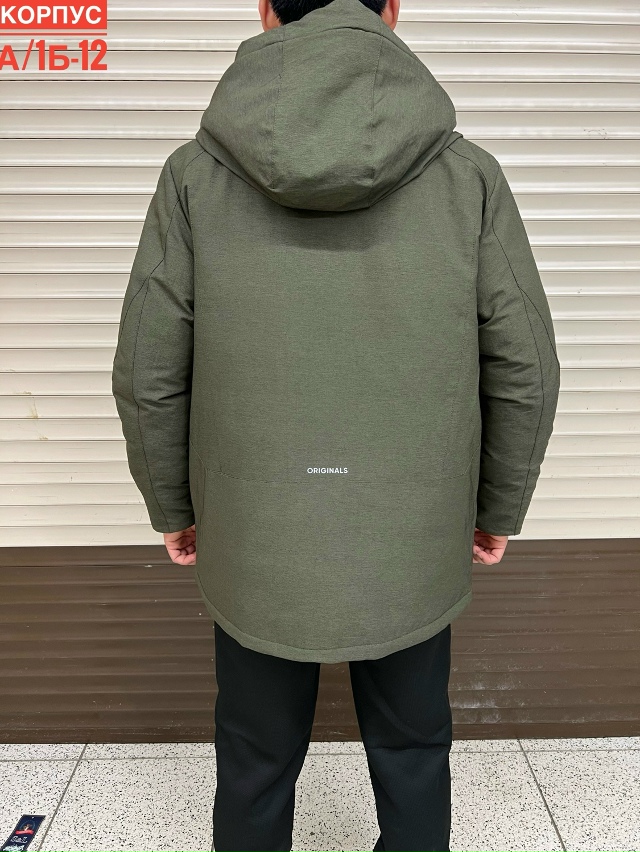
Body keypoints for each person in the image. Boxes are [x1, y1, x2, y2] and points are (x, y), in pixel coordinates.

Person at [112, 0, 561, 848]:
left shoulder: (194, 175)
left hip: (257, 526)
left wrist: (172, 502)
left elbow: (148, 366)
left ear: (264, 10)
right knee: (414, 749)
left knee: (253, 755)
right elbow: (525, 364)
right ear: (393, 10)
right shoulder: (467, 176)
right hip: (410, 526)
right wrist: (498, 506)